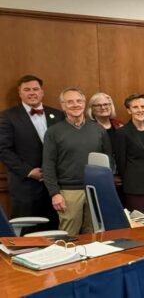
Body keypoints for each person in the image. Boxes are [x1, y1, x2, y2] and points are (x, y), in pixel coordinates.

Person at [43, 87, 112, 236]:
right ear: (62, 106)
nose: (75, 105)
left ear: (84, 103)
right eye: (70, 102)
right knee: (68, 236)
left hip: (95, 190)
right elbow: (48, 165)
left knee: (94, 234)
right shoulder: (54, 132)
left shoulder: (99, 130)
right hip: (68, 192)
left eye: (79, 101)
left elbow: (108, 159)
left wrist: (105, 187)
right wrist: (54, 193)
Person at [0, 75, 64, 232]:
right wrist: (28, 171)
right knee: (28, 233)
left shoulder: (58, 115)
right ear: (20, 93)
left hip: (55, 186)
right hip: (25, 187)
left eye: (35, 89)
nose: (32, 93)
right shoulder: (7, 116)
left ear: (42, 92)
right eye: (26, 89)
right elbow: (3, 149)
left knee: (55, 229)